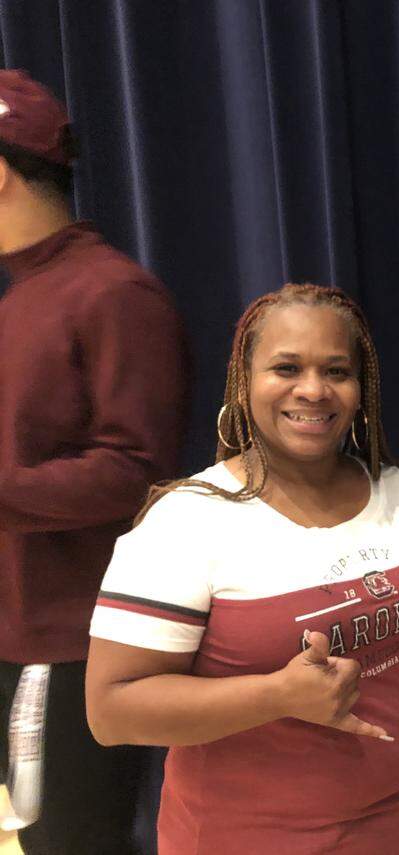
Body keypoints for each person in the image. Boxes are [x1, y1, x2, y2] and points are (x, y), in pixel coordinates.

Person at [85, 284, 399, 854]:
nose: (313, 389)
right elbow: (111, 711)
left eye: (336, 370)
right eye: (286, 367)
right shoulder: (188, 520)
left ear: (362, 386)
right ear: (244, 379)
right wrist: (276, 696)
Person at [0, 68, 188, 854]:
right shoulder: (22, 298)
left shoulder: (114, 294)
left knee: (71, 844)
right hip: (20, 637)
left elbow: (133, 473)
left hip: (74, 648)